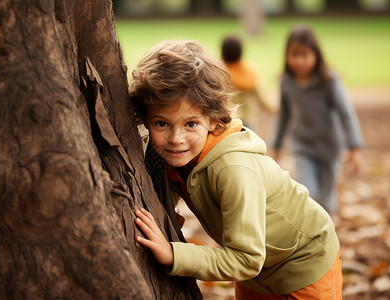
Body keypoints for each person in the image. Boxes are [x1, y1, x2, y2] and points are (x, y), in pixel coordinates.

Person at [130, 40, 342, 299]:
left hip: (305, 263)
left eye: (191, 124)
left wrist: (175, 254)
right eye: (161, 123)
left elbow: (247, 258)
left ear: (213, 119)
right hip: (255, 273)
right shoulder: (173, 154)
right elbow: (173, 180)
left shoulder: (234, 170)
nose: (176, 138)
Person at [271, 25, 364, 214]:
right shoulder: (287, 83)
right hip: (303, 147)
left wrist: (354, 147)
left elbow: (345, 112)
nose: (298, 60)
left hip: (330, 148)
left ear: (316, 54)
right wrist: (276, 144)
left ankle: (328, 235)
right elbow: (284, 115)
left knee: (327, 200)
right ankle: (312, 239)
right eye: (294, 54)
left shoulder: (329, 81)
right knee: (309, 194)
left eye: (304, 54)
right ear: (287, 55)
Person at [221, 36, 276, 129]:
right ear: (241, 52)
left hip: (229, 121)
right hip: (248, 121)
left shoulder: (221, 73)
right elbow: (263, 99)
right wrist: (274, 108)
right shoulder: (250, 72)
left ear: (223, 54)